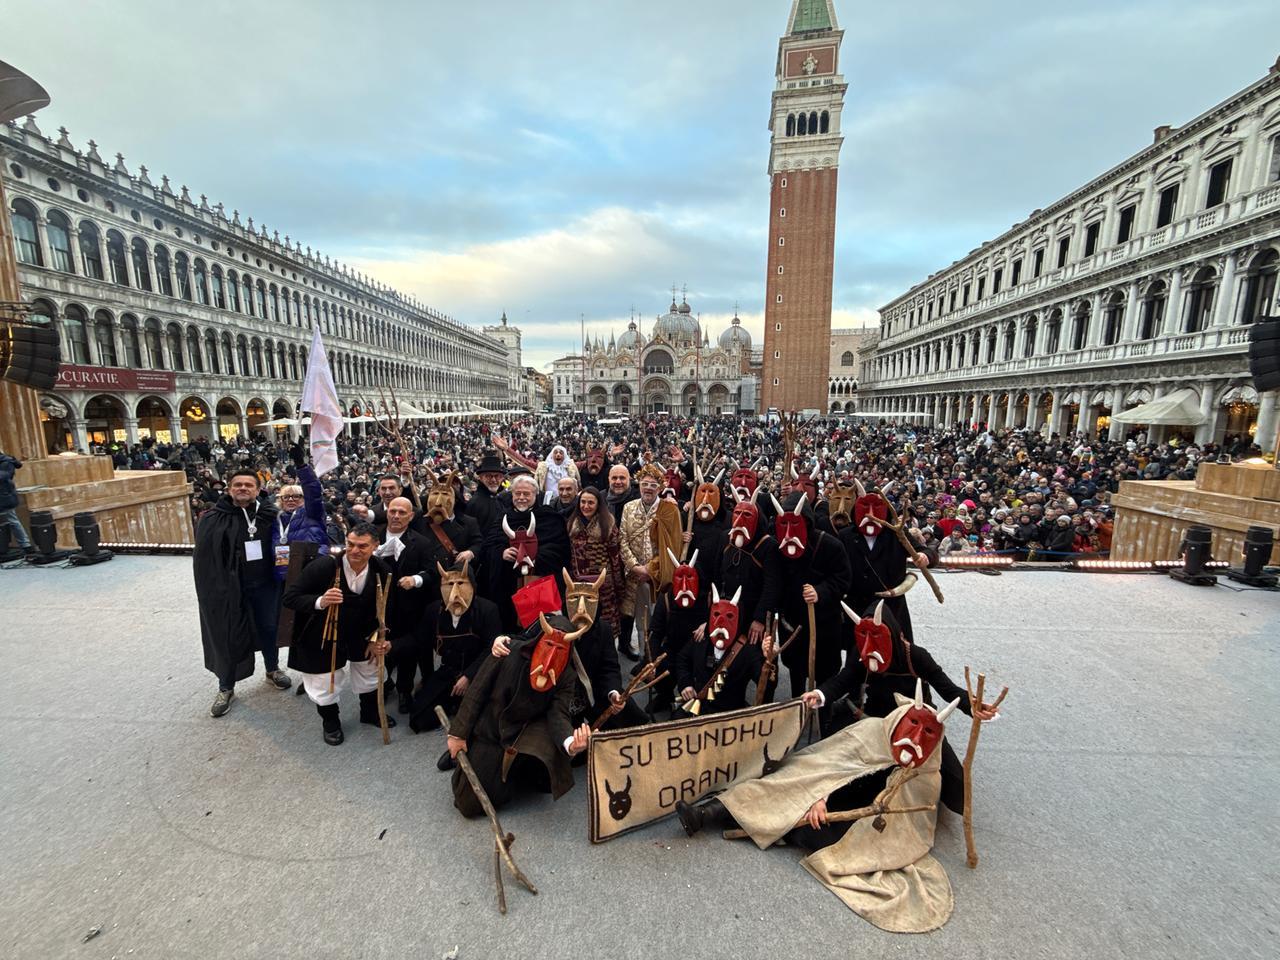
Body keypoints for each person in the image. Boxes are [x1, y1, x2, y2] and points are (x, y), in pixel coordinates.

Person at [447, 613, 590, 818]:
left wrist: (571, 743)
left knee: (540, 776)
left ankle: (522, 769)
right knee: (469, 805)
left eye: (560, 650)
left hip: (526, 730)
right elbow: (476, 691)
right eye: (548, 645)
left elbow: (558, 714)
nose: (551, 658)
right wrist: (458, 734)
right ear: (538, 640)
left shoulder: (566, 676)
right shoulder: (508, 651)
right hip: (491, 730)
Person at [282, 522, 394, 745]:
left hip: (362, 632)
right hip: (324, 633)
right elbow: (290, 597)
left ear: (375, 546)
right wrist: (320, 601)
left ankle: (369, 712)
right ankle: (330, 722)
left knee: (370, 671)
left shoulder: (382, 569)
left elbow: (389, 608)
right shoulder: (324, 567)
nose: (354, 551)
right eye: (350, 544)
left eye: (362, 546)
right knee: (325, 682)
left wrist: (376, 638)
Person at [193, 467, 291, 718]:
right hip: (230, 589)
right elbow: (204, 560)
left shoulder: (270, 514)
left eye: (249, 485)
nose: (243, 489)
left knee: (269, 627)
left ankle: (273, 669)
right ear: (229, 489)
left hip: (266, 585)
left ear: (258, 490)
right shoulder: (213, 518)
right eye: (238, 485)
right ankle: (226, 686)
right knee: (228, 633)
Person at [376, 497, 436, 713]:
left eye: (402, 512)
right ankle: (382, 686)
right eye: (393, 511)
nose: (396, 516)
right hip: (378, 608)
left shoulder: (421, 542)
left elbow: (431, 573)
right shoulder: (375, 537)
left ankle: (404, 690)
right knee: (379, 649)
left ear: (411, 517)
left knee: (407, 652)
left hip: (409, 608)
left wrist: (415, 580)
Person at [566, 487, 626, 648]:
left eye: (590, 502)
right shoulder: (572, 523)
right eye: (583, 502)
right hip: (578, 582)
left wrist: (618, 584)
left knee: (605, 622)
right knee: (581, 619)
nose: (586, 506)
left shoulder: (608, 525)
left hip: (602, 584)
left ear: (598, 504)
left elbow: (615, 557)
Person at [618, 464, 663, 661]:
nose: (648, 488)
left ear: (659, 488)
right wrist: (635, 566)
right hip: (633, 574)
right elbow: (622, 539)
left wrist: (650, 569)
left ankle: (652, 659)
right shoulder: (629, 507)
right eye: (645, 484)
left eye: (653, 485)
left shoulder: (667, 509)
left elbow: (671, 544)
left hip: (657, 577)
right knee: (638, 620)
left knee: (656, 620)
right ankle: (645, 657)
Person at [0, 449, 33, 555]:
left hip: (5, 496)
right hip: (4, 495)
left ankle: (26, 545)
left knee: (13, 521)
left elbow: (3, 476)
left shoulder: (7, 462)